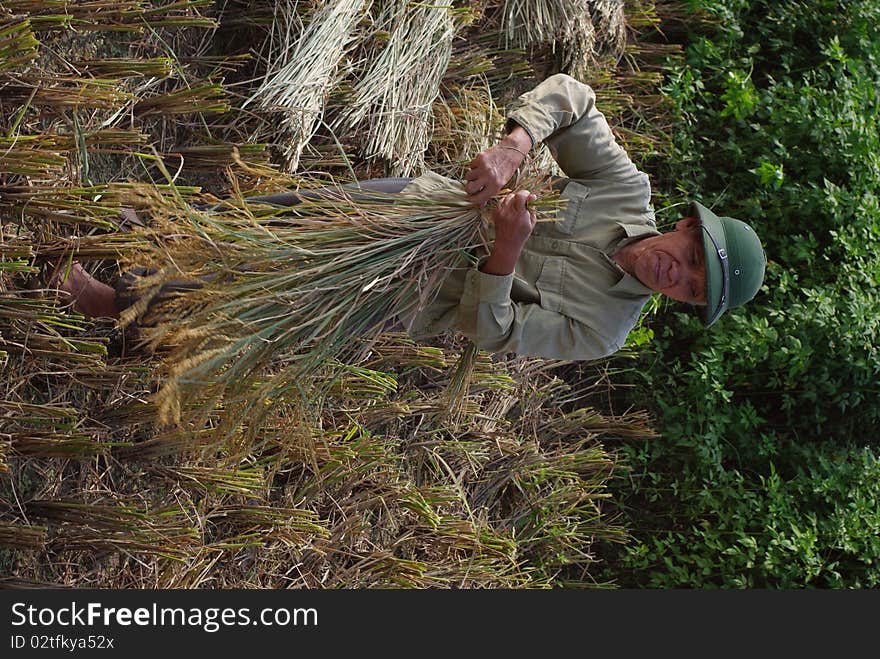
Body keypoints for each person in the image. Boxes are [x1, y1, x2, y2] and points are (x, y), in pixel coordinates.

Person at [55, 73, 767, 361]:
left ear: (681, 303)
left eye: (693, 291)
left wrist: (508, 254)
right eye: (696, 256)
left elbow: (490, 332)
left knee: (268, 286)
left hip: (404, 289)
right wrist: (516, 145)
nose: (681, 275)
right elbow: (573, 99)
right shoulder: (624, 189)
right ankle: (154, 230)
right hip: (414, 210)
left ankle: (117, 303)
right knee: (281, 215)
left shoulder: (606, 330)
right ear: (683, 225)